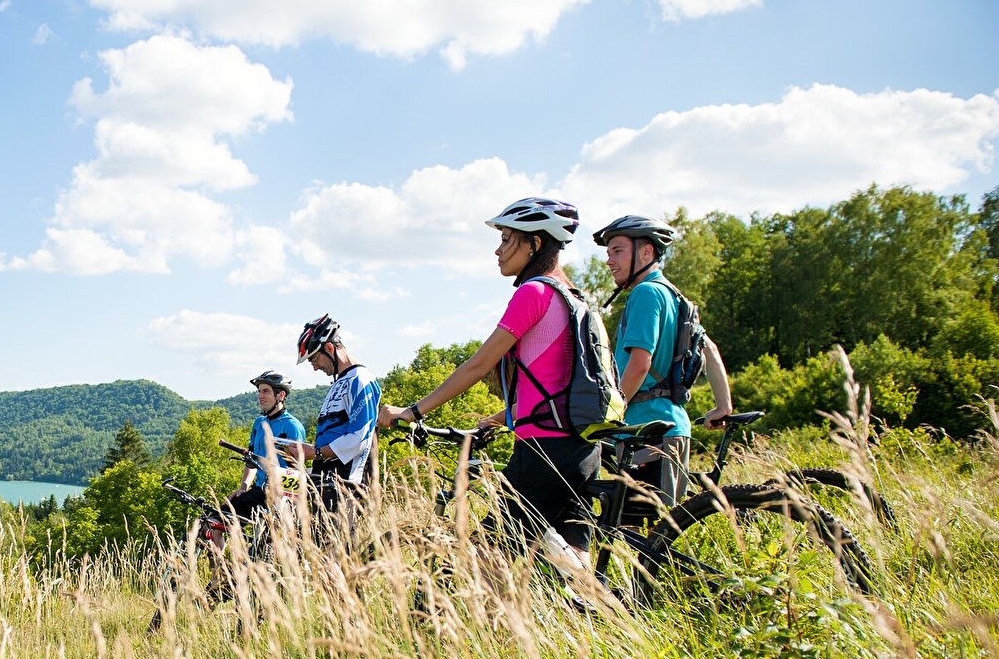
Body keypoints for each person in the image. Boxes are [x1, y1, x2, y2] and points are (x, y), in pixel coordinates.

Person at [377, 197, 601, 564]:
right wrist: (501, 418)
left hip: (544, 451)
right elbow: (556, 383)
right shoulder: (574, 297)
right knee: (574, 573)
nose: (498, 251)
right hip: (582, 448)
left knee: (489, 561)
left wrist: (413, 411)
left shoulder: (535, 292)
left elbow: (477, 366)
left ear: (536, 243)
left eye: (507, 239)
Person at [592, 215, 733, 506]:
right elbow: (712, 352)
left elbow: (640, 364)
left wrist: (609, 415)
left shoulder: (645, 293)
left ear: (646, 252)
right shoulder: (677, 297)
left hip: (646, 431)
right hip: (672, 427)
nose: (609, 261)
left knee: (636, 531)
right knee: (658, 535)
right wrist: (723, 406)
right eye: (608, 253)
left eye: (617, 251)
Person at [279, 315, 380, 513]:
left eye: (314, 359)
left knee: (337, 544)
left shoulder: (360, 380)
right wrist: (310, 450)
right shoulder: (339, 383)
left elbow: (359, 438)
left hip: (347, 485)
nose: (315, 367)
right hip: (325, 480)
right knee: (279, 485)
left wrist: (315, 453)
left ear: (330, 349)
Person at [226, 370, 305, 523]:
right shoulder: (258, 423)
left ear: (281, 395)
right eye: (259, 391)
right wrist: (243, 487)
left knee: (266, 540)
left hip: (282, 495)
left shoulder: (292, 426)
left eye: (265, 391)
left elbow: (296, 469)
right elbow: (251, 459)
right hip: (258, 490)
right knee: (216, 521)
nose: (260, 396)